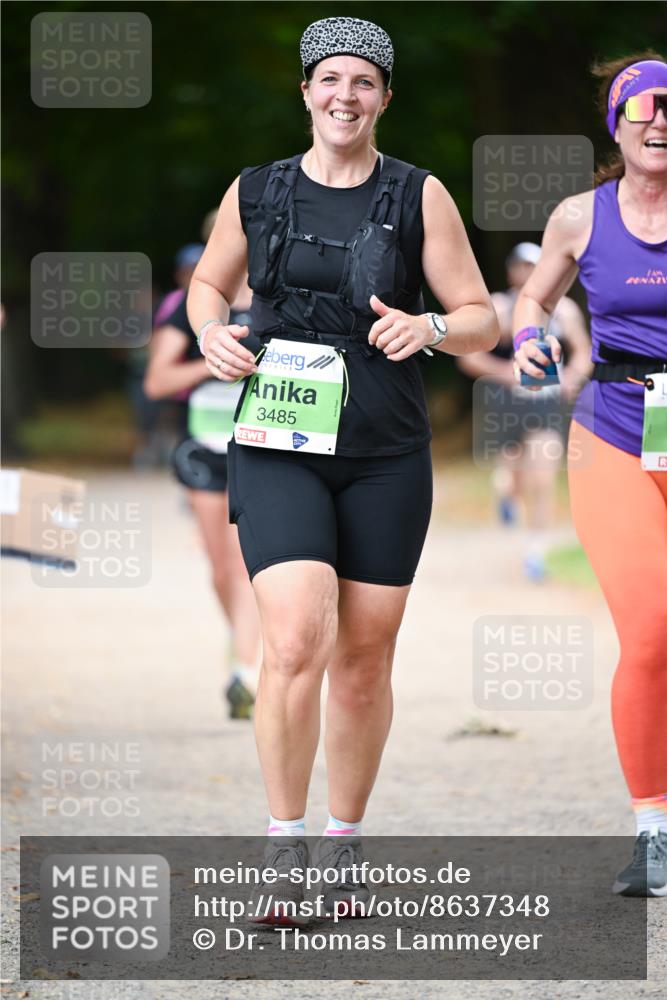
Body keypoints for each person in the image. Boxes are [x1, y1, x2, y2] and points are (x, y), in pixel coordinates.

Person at [187, 15, 498, 921]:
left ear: (384, 97)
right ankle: (283, 851)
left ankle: (342, 846)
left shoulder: (418, 194)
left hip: (383, 452)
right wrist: (211, 330)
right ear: (306, 93)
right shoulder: (258, 191)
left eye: (363, 82)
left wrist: (431, 327)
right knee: (292, 638)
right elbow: (211, 283)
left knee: (362, 659)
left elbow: (479, 313)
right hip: (280, 438)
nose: (344, 96)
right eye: (329, 80)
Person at [513, 53, 667, 896]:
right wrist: (527, 337)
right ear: (616, 124)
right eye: (642, 110)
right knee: (649, 631)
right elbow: (535, 300)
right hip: (612, 431)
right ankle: (653, 831)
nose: (659, 123)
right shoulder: (580, 214)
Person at [144, 267, 263, 719]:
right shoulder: (197, 315)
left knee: (241, 563)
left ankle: (246, 672)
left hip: (259, 446)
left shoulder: (284, 301)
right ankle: (245, 646)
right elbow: (157, 382)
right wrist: (214, 356)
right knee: (219, 568)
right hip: (204, 451)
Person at [459, 242, 591, 581]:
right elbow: (469, 357)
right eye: (520, 267)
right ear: (511, 271)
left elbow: (584, 352)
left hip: (545, 404)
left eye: (533, 267)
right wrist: (505, 373)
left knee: (544, 477)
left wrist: (570, 378)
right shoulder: (500, 307)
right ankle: (505, 489)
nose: (526, 273)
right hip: (508, 404)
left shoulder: (564, 311)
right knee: (515, 475)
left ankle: (536, 553)